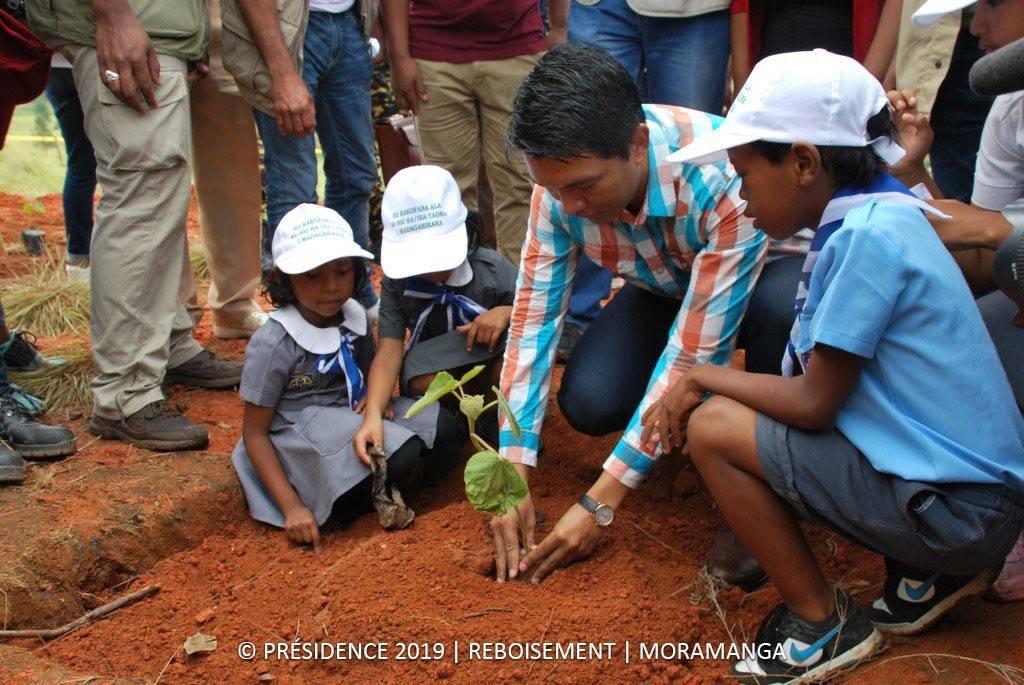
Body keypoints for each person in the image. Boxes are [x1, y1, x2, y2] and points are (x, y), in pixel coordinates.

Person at [659, 50, 1024, 681]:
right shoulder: (884, 214)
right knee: (754, 405)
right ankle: (928, 572)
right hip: (975, 501)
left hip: (962, 516)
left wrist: (696, 378)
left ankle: (821, 625)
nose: (742, 201)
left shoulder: (865, 239)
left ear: (803, 161)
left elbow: (814, 403)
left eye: (745, 175)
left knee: (714, 427)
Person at [490, 43, 805, 588]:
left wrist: (601, 502)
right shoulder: (560, 187)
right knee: (590, 399)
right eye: (553, 189)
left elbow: (692, 353)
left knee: (780, 309)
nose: (570, 206)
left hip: (769, 280)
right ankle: (683, 436)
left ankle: (767, 488)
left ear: (637, 144)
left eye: (585, 187)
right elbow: (533, 320)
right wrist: (512, 469)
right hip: (667, 283)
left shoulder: (719, 179)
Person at [25, 0, 244, 452]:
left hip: (154, 29)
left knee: (161, 193)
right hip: (125, 26)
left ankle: (166, 345)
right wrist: (115, 15)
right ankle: (125, 392)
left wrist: (190, 33)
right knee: (142, 196)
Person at [231, 204, 462, 548]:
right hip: (302, 432)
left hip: (350, 414)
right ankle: (345, 505)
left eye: (342, 272)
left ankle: (396, 487)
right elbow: (255, 434)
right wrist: (292, 508)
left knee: (444, 427)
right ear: (284, 281)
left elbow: (370, 372)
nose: (331, 287)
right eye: (313, 275)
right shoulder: (275, 343)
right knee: (400, 455)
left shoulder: (352, 317)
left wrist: (376, 400)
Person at [382, 0, 569, 267]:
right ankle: (461, 295)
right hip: (434, 52)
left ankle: (520, 295)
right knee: (445, 188)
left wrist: (560, 27)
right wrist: (399, 56)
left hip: (516, 47)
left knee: (523, 182)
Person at [355, 165, 517, 456]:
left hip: (490, 360)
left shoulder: (491, 269)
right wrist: (373, 414)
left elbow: (537, 316)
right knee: (417, 378)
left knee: (511, 365)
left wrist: (505, 311)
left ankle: (500, 423)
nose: (429, 268)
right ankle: (459, 422)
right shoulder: (397, 284)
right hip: (439, 367)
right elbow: (390, 349)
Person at [232, 0, 380, 313]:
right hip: (287, 27)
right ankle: (294, 307)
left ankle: (353, 294)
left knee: (357, 175)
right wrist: (282, 72)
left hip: (349, 22)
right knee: (294, 184)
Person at [892, 1, 992, 202]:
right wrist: (909, 169)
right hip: (938, 51)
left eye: (994, 3)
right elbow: (978, 226)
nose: (975, 27)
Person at [43, 54, 96, 281]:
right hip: (92, 61)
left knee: (80, 166)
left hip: (54, 66)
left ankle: (78, 262)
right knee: (118, 166)